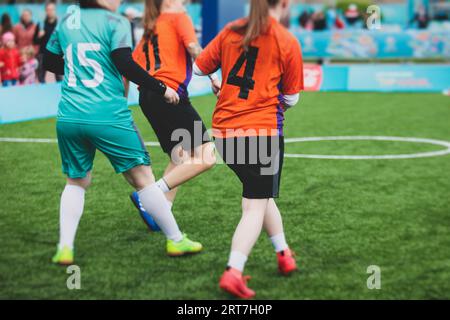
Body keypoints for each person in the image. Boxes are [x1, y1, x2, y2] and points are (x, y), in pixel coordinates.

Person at [44, 0, 203, 265]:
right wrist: (162, 88)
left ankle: (65, 247)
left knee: (76, 182)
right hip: (107, 115)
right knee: (144, 179)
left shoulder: (66, 18)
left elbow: (49, 61)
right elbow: (124, 63)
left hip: (69, 115)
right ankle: (176, 240)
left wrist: (78, 69)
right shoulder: (116, 22)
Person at [194, 0, 303, 299]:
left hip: (225, 133)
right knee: (254, 205)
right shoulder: (286, 40)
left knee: (260, 196)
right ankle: (234, 271)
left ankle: (284, 254)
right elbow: (291, 98)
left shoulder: (231, 30)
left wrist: (226, 84)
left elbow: (198, 66)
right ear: (283, 4)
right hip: (261, 133)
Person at [130, 0, 219, 232]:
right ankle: (150, 197)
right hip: (170, 93)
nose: (186, 2)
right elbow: (194, 50)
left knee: (181, 155)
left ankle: (160, 212)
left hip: (148, 97)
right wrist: (214, 76)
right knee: (207, 156)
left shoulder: (149, 28)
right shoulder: (178, 17)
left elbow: (129, 68)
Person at [36, 1, 61, 83]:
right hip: (43, 53)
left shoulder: (60, 24)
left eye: (52, 9)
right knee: (41, 78)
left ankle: (59, 94)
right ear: (46, 11)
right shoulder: (41, 24)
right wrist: (39, 36)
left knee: (59, 78)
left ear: (55, 10)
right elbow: (35, 41)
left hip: (57, 54)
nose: (50, 11)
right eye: (48, 9)